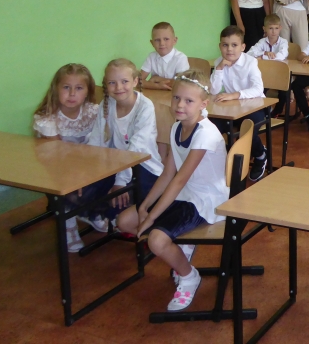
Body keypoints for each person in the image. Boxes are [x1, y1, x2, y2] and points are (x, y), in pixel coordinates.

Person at [117, 69, 228, 312]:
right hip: (184, 193)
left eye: (189, 101)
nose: (180, 105)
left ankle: (189, 276)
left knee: (156, 241)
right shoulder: (177, 127)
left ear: (203, 104)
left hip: (205, 200)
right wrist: (145, 206)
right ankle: (180, 247)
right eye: (176, 98)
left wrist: (152, 217)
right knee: (125, 221)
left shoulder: (206, 134)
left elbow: (178, 180)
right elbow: (168, 173)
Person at [33, 63, 101, 252]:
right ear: (55, 89)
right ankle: (68, 224)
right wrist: (78, 174)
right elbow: (56, 157)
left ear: (88, 91)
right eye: (66, 87)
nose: (72, 94)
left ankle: (90, 212)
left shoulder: (93, 112)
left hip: (86, 164)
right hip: (56, 168)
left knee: (111, 177)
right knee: (67, 186)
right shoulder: (47, 118)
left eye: (79, 88)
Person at [87, 58, 164, 222]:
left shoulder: (145, 106)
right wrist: (88, 172)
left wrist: (121, 181)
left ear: (135, 81)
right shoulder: (106, 104)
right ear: (106, 84)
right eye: (112, 83)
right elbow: (96, 140)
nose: (118, 87)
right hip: (117, 163)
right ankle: (106, 217)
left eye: (124, 81)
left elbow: (136, 149)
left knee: (120, 200)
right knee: (84, 190)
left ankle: (117, 218)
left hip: (143, 165)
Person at [209, 26, 268, 181]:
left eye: (234, 45)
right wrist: (219, 68)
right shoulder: (219, 62)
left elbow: (258, 88)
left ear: (243, 47)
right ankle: (224, 160)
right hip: (232, 109)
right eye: (225, 45)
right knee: (210, 126)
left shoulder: (250, 62)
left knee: (247, 129)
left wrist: (234, 95)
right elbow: (213, 90)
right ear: (220, 46)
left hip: (256, 106)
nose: (229, 49)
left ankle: (260, 155)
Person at [140, 22, 190, 90]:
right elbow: (137, 81)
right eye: (157, 40)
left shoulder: (180, 58)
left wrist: (156, 79)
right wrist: (157, 86)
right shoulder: (151, 56)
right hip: (155, 94)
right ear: (152, 43)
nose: (162, 43)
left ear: (174, 41)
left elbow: (180, 84)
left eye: (166, 39)